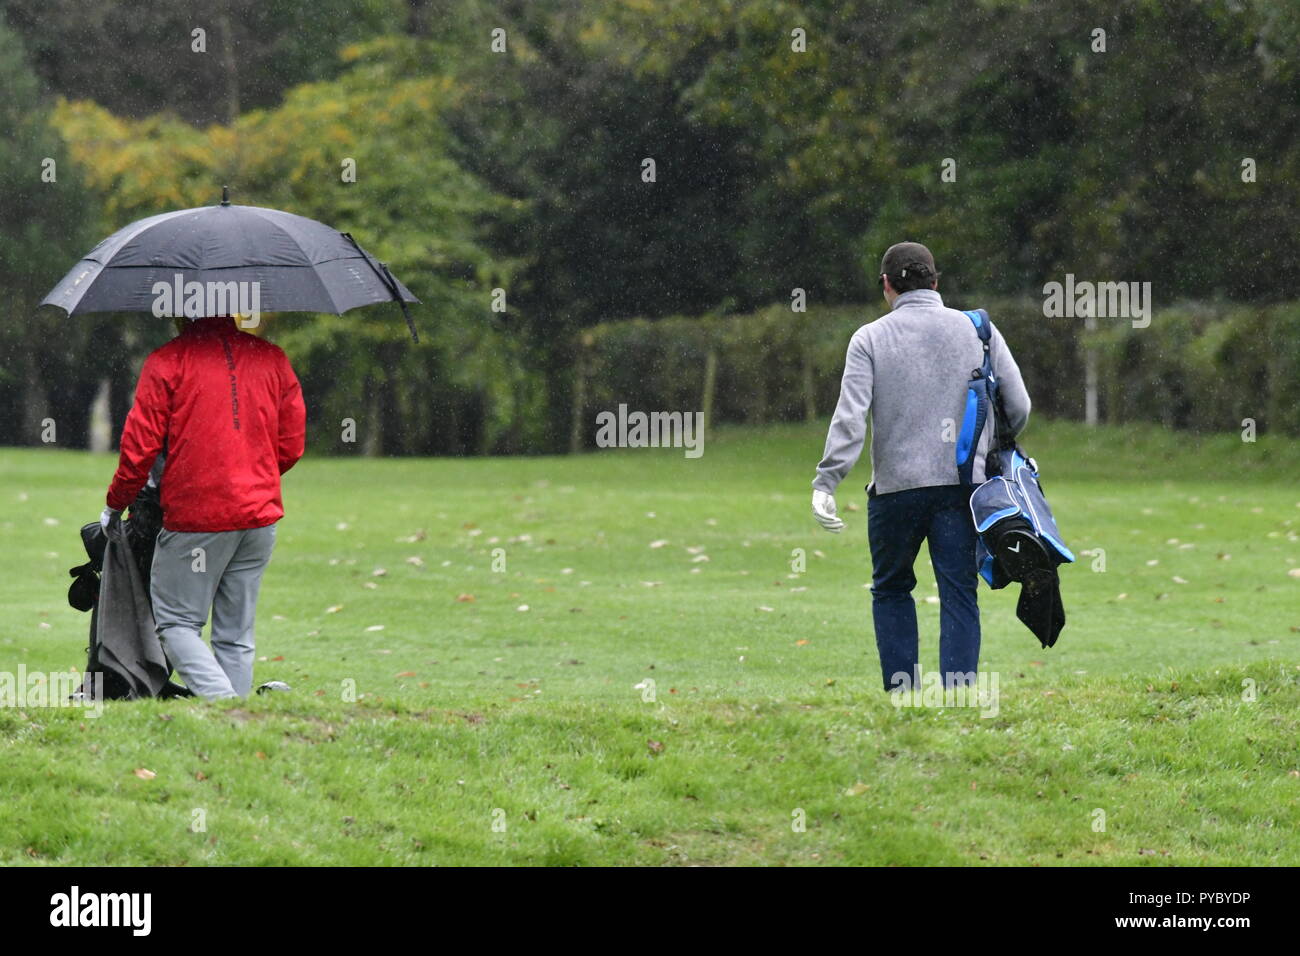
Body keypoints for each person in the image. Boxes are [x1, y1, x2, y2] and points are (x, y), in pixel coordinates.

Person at [810, 242, 1031, 691]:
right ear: (936, 281)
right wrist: (993, 445)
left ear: (886, 286)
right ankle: (958, 696)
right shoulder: (980, 330)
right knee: (958, 593)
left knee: (891, 589)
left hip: (894, 491)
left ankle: (901, 695)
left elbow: (850, 419)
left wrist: (827, 481)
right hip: (961, 487)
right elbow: (1019, 405)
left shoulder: (868, 338)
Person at [101, 314, 306, 700]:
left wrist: (117, 502)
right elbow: (291, 444)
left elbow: (139, 447)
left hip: (197, 517)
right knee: (236, 633)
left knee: (177, 624)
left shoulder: (167, 361)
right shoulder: (272, 358)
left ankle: (225, 707)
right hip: (259, 518)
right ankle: (237, 726)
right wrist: (249, 475)